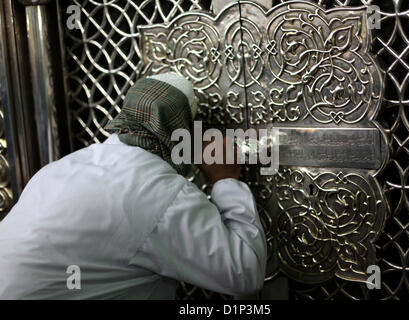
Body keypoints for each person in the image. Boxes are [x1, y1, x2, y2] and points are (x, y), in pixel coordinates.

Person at [0, 72, 267, 299]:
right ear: (183, 131)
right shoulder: (160, 193)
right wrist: (225, 178)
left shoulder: (62, 167)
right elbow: (245, 272)